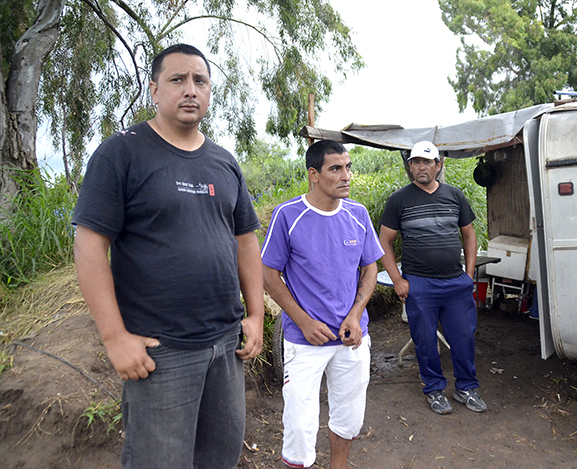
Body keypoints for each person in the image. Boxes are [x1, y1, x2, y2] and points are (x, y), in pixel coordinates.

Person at [72, 43, 264, 469]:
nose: (190, 89)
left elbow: (246, 241)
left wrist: (255, 316)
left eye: (200, 81)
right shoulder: (121, 153)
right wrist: (114, 337)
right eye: (177, 80)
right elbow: (89, 246)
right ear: (155, 91)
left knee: (220, 458)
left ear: (210, 92)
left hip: (225, 346)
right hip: (161, 351)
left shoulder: (223, 162)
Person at [261, 140, 384, 469]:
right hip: (305, 340)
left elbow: (370, 267)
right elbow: (268, 274)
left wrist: (356, 315)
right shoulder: (289, 216)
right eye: (336, 169)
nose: (346, 176)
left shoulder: (357, 215)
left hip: (352, 338)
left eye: (348, 167)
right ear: (314, 174)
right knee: (300, 426)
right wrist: (302, 321)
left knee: (348, 416)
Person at [378, 140, 486, 415]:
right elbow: (384, 242)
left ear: (439, 165)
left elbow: (469, 235)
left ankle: (466, 388)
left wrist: (469, 274)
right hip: (419, 284)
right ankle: (434, 390)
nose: (421, 167)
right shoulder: (399, 200)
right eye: (416, 162)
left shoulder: (455, 195)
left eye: (428, 161)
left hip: (455, 283)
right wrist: (398, 279)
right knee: (425, 341)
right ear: (410, 166)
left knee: (463, 338)